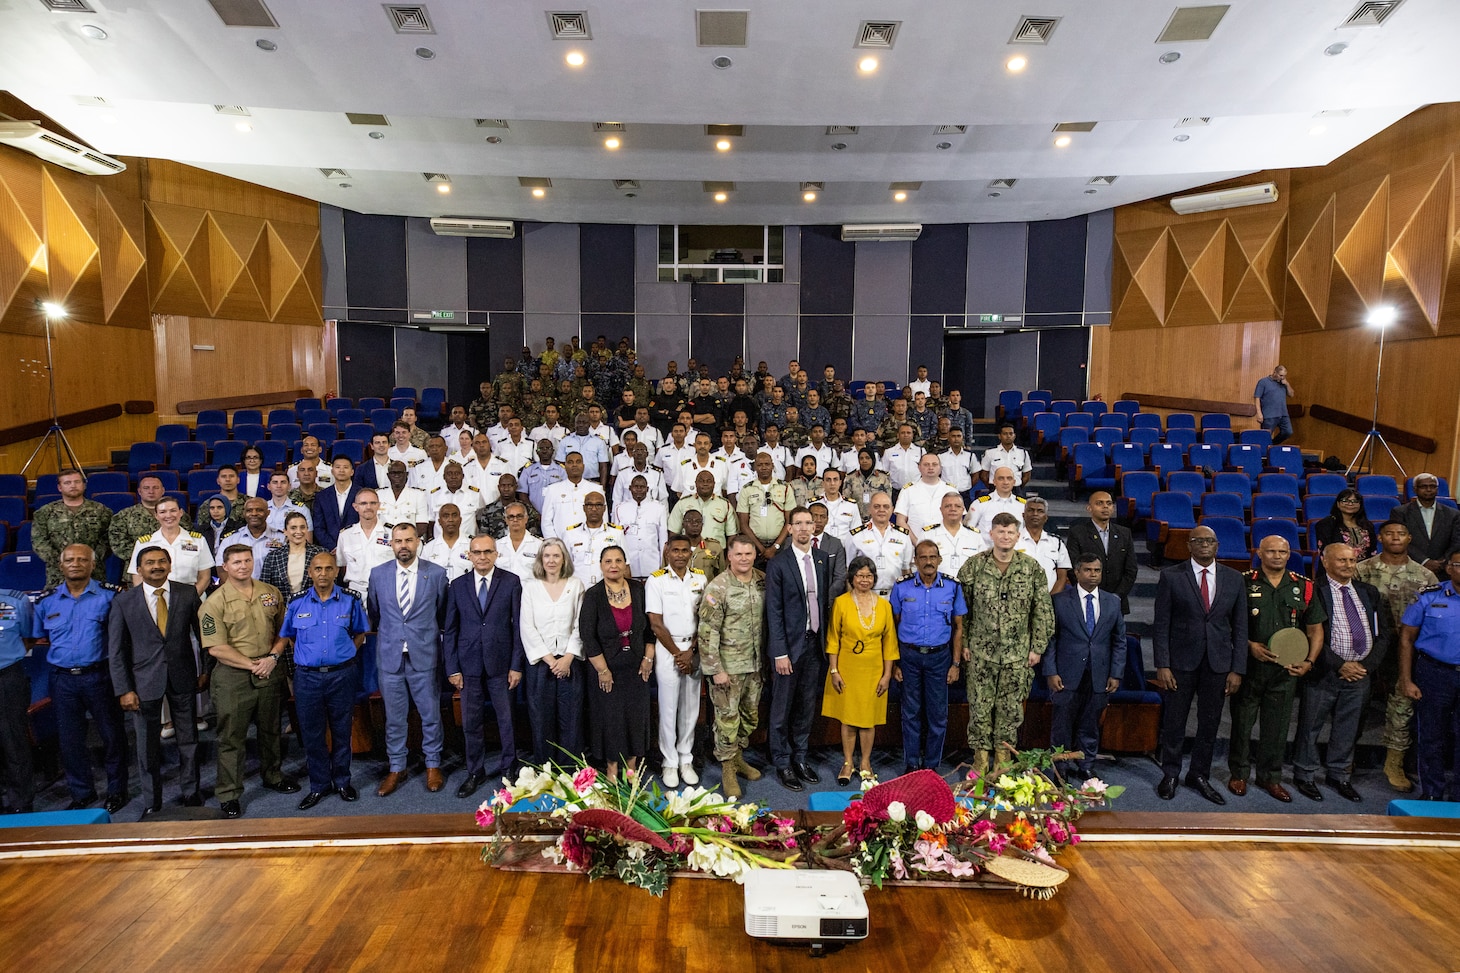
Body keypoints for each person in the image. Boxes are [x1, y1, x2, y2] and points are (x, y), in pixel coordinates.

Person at [1151, 525, 1247, 805]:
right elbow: (1161, 624)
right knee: (1174, 721)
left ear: (1217, 546)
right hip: (1180, 662)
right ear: (1189, 546)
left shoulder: (1233, 579)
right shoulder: (1171, 576)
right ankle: (1170, 772)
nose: (1205, 545)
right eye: (1198, 541)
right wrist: (1162, 664)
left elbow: (1241, 628)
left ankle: (1199, 774)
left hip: (1218, 663)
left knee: (1210, 723)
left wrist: (1237, 668)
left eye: (1210, 541)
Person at [1226, 536, 1325, 802]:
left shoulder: (1303, 586)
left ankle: (1271, 777)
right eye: (1271, 551)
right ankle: (1239, 773)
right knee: (1242, 725)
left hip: (1286, 671)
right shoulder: (1242, 581)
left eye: (1283, 551)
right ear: (1259, 553)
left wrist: (1309, 662)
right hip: (1249, 668)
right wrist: (1249, 646)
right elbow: (1228, 624)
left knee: (1278, 728)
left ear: (1289, 553)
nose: (1277, 556)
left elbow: (1315, 630)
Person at [201, 545, 298, 817]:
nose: (243, 566)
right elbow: (215, 647)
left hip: (269, 668)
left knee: (271, 730)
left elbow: (284, 630)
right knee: (232, 737)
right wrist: (254, 665)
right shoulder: (214, 602)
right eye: (236, 562)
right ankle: (229, 793)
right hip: (234, 676)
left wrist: (272, 658)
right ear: (225, 567)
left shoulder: (270, 593)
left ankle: (273, 776)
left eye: (247, 560)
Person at [109, 545, 205, 818]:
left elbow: (203, 636)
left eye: (162, 561)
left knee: (189, 740)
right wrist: (124, 689)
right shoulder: (123, 602)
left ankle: (190, 792)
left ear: (170, 564)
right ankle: (153, 801)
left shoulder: (187, 594)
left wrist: (205, 670)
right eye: (150, 563)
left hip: (183, 677)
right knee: (147, 747)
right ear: (139, 570)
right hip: (143, 684)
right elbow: (116, 651)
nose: (156, 566)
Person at [957, 512, 1055, 776]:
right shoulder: (973, 566)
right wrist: (963, 643)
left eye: (1010, 532)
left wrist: (1037, 647)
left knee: (1010, 711)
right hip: (980, 653)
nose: (1005, 537)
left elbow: (1042, 611)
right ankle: (979, 760)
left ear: (1017, 535)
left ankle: (1003, 760)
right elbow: (961, 611)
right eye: (1000, 532)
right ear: (991, 534)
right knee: (979, 707)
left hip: (1017, 655)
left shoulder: (1031, 568)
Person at [1293, 543, 1391, 803]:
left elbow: (1382, 636)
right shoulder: (1314, 591)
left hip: (1360, 675)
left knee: (1348, 728)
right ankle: (1305, 775)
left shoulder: (1368, 592)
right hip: (1325, 672)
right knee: (1310, 726)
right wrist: (1339, 664)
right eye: (1342, 561)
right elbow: (1310, 635)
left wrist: (1365, 667)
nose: (1348, 566)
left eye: (1351, 560)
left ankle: (1339, 775)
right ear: (1325, 562)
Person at [273, 552, 368, 810]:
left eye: (328, 569)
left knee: (341, 730)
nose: (323, 574)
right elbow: (290, 637)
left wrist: (344, 652)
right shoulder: (297, 603)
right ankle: (318, 785)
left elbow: (360, 634)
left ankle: (342, 781)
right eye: (318, 569)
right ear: (310, 572)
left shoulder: (350, 601)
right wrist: (311, 657)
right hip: (308, 678)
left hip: (342, 675)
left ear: (336, 571)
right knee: (312, 734)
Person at [37, 545, 127, 812]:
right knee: (70, 739)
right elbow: (37, 638)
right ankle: (82, 793)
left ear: (92, 565)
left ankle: (117, 790)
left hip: (99, 676)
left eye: (82, 560)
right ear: (61, 565)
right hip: (62, 680)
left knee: (112, 736)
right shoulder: (47, 601)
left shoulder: (110, 597)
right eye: (70, 560)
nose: (76, 564)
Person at [367, 524, 451, 797]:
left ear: (418, 542)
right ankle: (396, 767)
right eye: (398, 541)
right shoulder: (377, 574)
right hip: (390, 657)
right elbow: (376, 613)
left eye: (408, 540)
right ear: (391, 544)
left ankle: (433, 765)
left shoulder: (436, 574)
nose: (403, 545)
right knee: (394, 718)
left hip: (424, 655)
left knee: (430, 715)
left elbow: (442, 614)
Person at [445, 533, 526, 797]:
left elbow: (518, 628)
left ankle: (508, 768)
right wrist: (453, 668)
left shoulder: (511, 582)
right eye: (477, 552)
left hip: (501, 664)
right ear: (469, 555)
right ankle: (475, 771)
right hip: (468, 666)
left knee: (507, 720)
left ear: (496, 554)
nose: (482, 557)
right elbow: (451, 630)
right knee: (471, 722)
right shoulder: (457, 586)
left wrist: (516, 665)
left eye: (487, 552)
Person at [1358, 520, 1436, 792]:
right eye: (1389, 533)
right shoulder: (1362, 570)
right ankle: (1344, 760)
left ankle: (1394, 762)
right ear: (1380, 537)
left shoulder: (1425, 576)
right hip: (1365, 645)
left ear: (1409, 538)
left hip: (1405, 648)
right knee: (1357, 701)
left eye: (1401, 534)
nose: (1395, 538)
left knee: (1401, 703)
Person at [764, 508, 832, 792]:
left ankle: (800, 757)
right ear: (789, 529)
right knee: (782, 709)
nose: (805, 528)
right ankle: (782, 762)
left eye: (809, 523)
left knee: (805, 707)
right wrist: (779, 652)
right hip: (788, 649)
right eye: (799, 524)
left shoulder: (820, 559)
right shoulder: (779, 564)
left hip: (815, 644)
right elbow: (774, 612)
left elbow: (824, 603)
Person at [1044, 554, 1125, 782]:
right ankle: (1060, 768)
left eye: (1097, 570)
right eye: (1088, 570)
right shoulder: (1059, 601)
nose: (1093, 574)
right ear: (1077, 573)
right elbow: (1050, 640)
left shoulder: (1112, 601)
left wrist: (1116, 673)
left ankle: (1086, 765)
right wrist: (1050, 671)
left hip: (1099, 674)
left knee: (1090, 724)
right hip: (1066, 674)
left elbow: (1119, 640)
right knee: (1062, 725)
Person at [697, 535, 766, 798]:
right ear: (729, 556)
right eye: (739, 554)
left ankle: (738, 758)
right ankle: (727, 769)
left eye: (748, 554)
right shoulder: (718, 587)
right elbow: (708, 631)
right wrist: (716, 669)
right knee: (727, 719)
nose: (744, 559)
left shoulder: (762, 581)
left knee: (749, 717)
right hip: (728, 665)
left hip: (756, 663)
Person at [889, 541, 964, 776]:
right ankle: (912, 764)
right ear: (915, 561)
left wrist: (955, 664)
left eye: (933, 557)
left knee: (937, 715)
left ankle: (931, 766)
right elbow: (893, 625)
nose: (928, 561)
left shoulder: (952, 587)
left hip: (939, 658)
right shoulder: (902, 587)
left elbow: (959, 628)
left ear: (939, 559)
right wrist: (895, 663)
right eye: (923, 557)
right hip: (909, 657)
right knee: (910, 712)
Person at [581, 546, 653, 783]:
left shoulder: (638, 589)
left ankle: (631, 771)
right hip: (606, 671)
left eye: (619, 560)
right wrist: (602, 670)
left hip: (636, 669)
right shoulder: (593, 595)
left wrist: (648, 658)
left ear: (625, 564)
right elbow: (588, 637)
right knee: (611, 720)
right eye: (608, 561)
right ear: (601, 565)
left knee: (635, 716)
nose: (614, 565)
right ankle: (612, 771)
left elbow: (650, 630)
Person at [646, 535, 708, 788]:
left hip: (694, 648)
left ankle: (686, 758)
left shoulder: (700, 579)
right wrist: (678, 654)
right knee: (669, 708)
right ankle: (669, 761)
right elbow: (655, 624)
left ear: (690, 553)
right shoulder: (656, 580)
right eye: (675, 550)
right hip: (667, 649)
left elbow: (705, 618)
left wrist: (691, 652)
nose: (680, 555)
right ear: (667, 552)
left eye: (684, 550)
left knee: (691, 708)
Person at [1399, 548, 1460, 801]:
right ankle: (1432, 792)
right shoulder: (1428, 596)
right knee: (1431, 735)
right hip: (1435, 673)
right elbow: (1406, 638)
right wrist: (1406, 679)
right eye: (1459, 564)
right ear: (1448, 568)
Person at [519, 538, 585, 765]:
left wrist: (567, 658)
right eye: (547, 556)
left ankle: (570, 771)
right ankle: (545, 770)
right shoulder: (531, 587)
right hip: (541, 664)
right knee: (541, 719)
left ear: (564, 558)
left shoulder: (576, 584)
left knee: (571, 718)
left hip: (570, 662)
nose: (551, 560)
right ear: (540, 559)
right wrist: (550, 660)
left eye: (556, 555)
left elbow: (580, 624)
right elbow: (527, 627)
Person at [32, 469, 112, 586]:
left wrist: (91, 559)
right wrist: (63, 562)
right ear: (60, 487)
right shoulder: (45, 513)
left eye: (77, 482)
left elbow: (108, 539)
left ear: (84, 485)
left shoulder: (102, 511)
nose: (73, 485)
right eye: (67, 483)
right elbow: (39, 542)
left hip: (93, 572)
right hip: (58, 574)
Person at [1063, 490, 1138, 613]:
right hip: (1087, 600)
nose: (1105, 507)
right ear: (1089, 508)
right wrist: (1088, 592)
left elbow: (1131, 569)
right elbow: (1073, 567)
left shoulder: (1125, 533)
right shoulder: (1078, 533)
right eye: (1099, 503)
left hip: (1117, 601)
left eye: (1109, 503)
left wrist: (1117, 595)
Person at [127, 496, 212, 594]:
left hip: (190, 597)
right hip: (156, 599)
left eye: (173, 511)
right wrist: (146, 598)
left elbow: (205, 577)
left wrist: (191, 599)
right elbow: (137, 576)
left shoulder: (198, 541)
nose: (168, 515)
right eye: (163, 512)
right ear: (156, 515)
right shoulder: (144, 544)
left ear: (181, 513)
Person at [0, 582, 36, 813]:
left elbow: (28, 637)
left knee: (13, 741)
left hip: (6, 678)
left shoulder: (15, 600)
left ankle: (20, 804)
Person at [108, 473, 191, 571]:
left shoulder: (178, 515)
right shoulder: (124, 516)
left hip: (177, 568)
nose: (151, 491)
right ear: (139, 491)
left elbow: (188, 539)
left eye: (155, 488)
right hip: (139, 570)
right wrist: (147, 557)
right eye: (146, 488)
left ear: (163, 490)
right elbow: (118, 544)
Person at [1389, 473, 1460, 577]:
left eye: (1432, 486)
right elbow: (1399, 540)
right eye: (1423, 486)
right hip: (1409, 569)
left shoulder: (1453, 514)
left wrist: (1442, 562)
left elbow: (1457, 542)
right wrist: (1424, 561)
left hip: (1442, 571)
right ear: (1415, 489)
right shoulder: (1400, 512)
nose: (1428, 489)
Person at [846, 492, 913, 597]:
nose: (881, 510)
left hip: (895, 595)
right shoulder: (856, 536)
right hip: (865, 595)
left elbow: (906, 571)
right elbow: (849, 572)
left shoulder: (903, 536)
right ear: (869, 509)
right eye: (877, 506)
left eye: (886, 507)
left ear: (892, 509)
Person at [738, 452, 795, 563]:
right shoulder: (746, 489)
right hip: (755, 544)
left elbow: (790, 521)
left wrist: (775, 547)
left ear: (772, 466)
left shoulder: (785, 488)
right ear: (755, 467)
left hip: (780, 545)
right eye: (760, 465)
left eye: (767, 464)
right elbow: (743, 524)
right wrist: (761, 548)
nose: (764, 467)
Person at [260, 511, 327, 600]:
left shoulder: (321, 553)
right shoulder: (273, 557)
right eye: (293, 528)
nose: (298, 531)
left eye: (302, 527)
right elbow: (265, 589)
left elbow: (330, 585)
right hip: (282, 610)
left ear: (307, 529)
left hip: (314, 609)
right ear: (285, 531)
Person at [922, 491, 985, 577]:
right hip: (937, 588)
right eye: (948, 506)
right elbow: (919, 566)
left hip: (966, 588)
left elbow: (983, 566)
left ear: (963, 510)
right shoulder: (928, 536)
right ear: (941, 510)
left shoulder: (975, 536)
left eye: (957, 506)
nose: (953, 509)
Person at [616, 476, 668, 578]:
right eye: (636, 486)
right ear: (630, 488)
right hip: (629, 564)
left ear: (647, 489)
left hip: (652, 563)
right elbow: (617, 539)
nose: (639, 489)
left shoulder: (659, 508)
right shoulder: (620, 509)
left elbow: (663, 540)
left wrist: (663, 565)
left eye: (642, 487)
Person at [1015, 497, 1070, 594]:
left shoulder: (1057, 543)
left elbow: (1062, 577)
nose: (1035, 514)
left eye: (1040, 511)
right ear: (1023, 515)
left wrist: (1049, 601)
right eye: (1030, 510)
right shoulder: (1012, 541)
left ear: (1046, 517)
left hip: (1050, 600)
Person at [894, 454, 952, 543]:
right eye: (926, 464)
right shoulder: (908, 490)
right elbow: (900, 521)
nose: (930, 467)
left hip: (946, 545)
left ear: (940, 468)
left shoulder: (951, 490)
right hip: (915, 545)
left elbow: (957, 520)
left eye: (934, 464)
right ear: (919, 467)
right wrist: (917, 543)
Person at [1313, 489, 1376, 565]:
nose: (1350, 504)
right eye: (1345, 500)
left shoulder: (1368, 525)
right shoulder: (1326, 524)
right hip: (1336, 569)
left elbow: (1373, 551)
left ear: (1360, 505)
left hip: (1364, 571)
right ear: (1338, 504)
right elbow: (1325, 552)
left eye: (1355, 501)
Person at [313, 456, 361, 552]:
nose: (341, 470)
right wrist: (333, 547)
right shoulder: (322, 496)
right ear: (332, 471)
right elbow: (318, 527)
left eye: (345, 467)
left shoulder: (362, 493)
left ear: (352, 472)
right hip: (330, 550)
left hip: (357, 548)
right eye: (338, 467)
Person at [422, 503, 473, 582]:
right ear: (439, 521)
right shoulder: (428, 548)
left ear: (460, 520)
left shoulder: (472, 545)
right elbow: (423, 576)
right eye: (446, 516)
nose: (450, 519)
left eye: (454, 515)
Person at [808, 502, 848, 601]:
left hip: (828, 600)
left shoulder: (835, 544)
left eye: (822, 517)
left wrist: (825, 598)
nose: (818, 520)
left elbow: (840, 577)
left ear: (827, 520)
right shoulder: (794, 541)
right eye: (814, 516)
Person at [966, 467, 1026, 533]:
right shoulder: (979, 504)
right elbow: (968, 530)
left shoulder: (1023, 506)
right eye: (1001, 478)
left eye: (1009, 478)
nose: (1005, 482)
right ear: (994, 482)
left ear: (1014, 482)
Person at [979, 424, 1033, 489]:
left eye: (1011, 434)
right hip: (995, 489)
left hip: (1016, 489)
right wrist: (992, 487)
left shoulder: (1023, 453)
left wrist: (1018, 486)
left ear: (1014, 436)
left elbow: (1027, 475)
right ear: (999, 436)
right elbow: (983, 475)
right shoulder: (990, 453)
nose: (1008, 436)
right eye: (1005, 434)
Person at [1253, 364, 1295, 444]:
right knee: (1265, 436)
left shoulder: (1284, 383)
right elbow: (1257, 397)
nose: (1282, 377)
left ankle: (1273, 444)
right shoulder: (1263, 382)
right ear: (1275, 372)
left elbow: (1291, 394)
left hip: (1283, 414)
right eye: (1281, 375)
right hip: (1269, 415)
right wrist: (1259, 413)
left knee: (1288, 432)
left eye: (1284, 376)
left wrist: (1287, 384)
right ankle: (1264, 453)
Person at [846, 449, 893, 519]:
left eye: (867, 458)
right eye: (861, 458)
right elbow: (846, 501)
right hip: (855, 519)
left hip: (877, 519)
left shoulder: (883, 478)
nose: (864, 461)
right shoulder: (850, 478)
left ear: (873, 460)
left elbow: (888, 500)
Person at [264, 471, 312, 536]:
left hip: (292, 546)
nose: (279, 486)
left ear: (289, 486)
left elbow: (308, 539)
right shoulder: (262, 508)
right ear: (269, 486)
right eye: (275, 482)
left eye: (283, 482)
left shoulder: (301, 509)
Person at [199, 494, 243, 561]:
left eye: (219, 507)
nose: (215, 511)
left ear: (227, 508)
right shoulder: (201, 529)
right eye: (212, 508)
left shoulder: (238, 528)